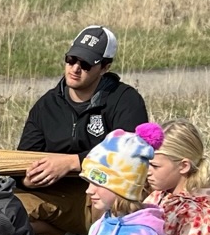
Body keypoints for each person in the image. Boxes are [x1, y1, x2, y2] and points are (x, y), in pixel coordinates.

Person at [15, 25, 149, 188]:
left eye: (85, 64)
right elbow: (23, 160)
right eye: (71, 59)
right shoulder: (46, 105)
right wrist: (27, 181)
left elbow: (130, 154)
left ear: (104, 68)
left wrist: (73, 162)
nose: (75, 68)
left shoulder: (126, 101)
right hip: (51, 193)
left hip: (103, 193)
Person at [148, 120, 210, 235]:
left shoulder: (198, 214)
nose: (147, 171)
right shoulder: (159, 194)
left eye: (155, 166)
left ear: (184, 166)